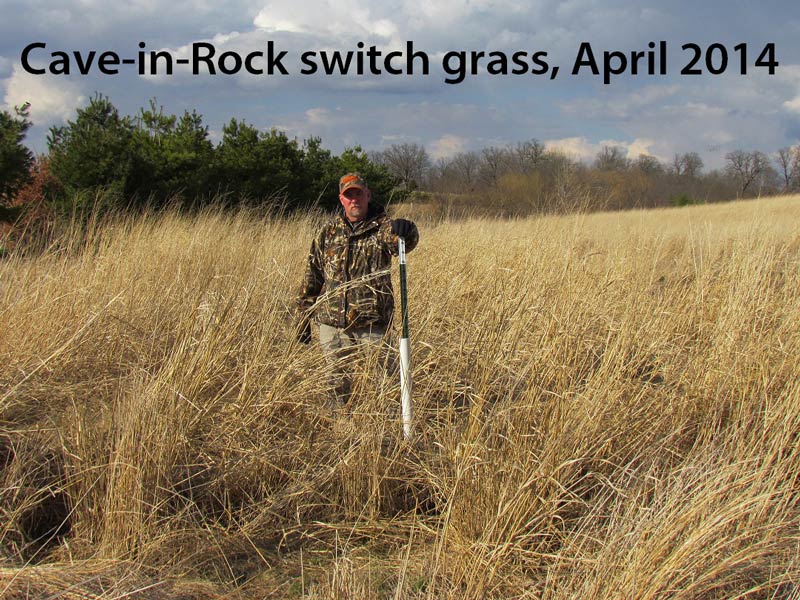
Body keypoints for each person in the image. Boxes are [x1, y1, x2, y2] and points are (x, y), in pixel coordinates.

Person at [295, 172, 419, 404]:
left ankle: (391, 429)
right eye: (348, 195)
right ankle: (341, 429)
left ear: (368, 195)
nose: (354, 200)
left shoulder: (382, 228)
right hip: (333, 324)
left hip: (373, 324)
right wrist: (303, 316)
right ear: (341, 199)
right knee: (335, 383)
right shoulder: (328, 232)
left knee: (387, 383)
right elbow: (313, 274)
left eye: (358, 194)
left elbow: (402, 242)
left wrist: (407, 230)